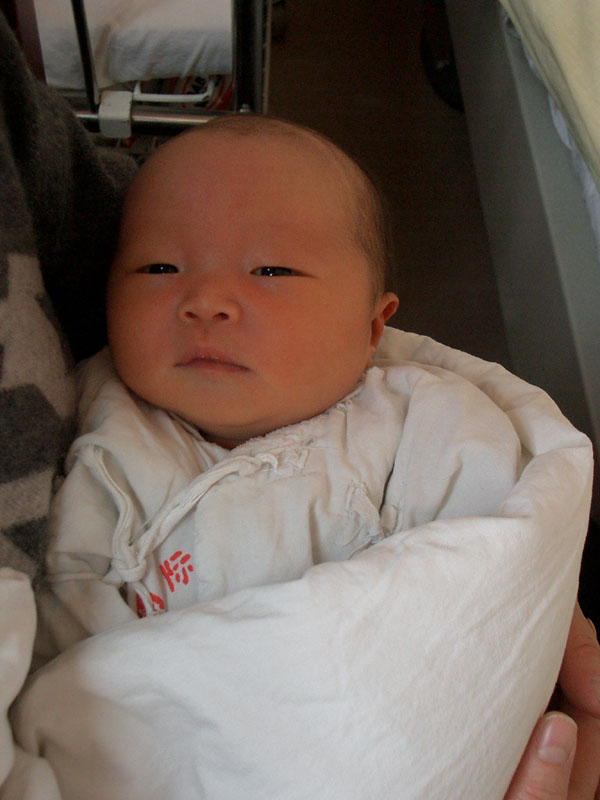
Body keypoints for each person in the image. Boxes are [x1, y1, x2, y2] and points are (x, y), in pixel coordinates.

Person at [0, 10, 599, 792]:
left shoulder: (420, 419)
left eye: (271, 272)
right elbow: (59, 622)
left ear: (372, 326)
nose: (206, 300)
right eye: (158, 269)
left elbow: (486, 575)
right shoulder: (97, 425)